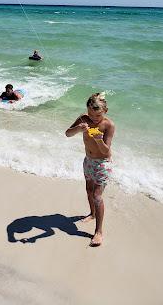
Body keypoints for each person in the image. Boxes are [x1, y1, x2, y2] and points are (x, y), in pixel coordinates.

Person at [65, 93, 115, 247]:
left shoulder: (108, 125)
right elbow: (68, 133)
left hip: (102, 164)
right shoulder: (83, 119)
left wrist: (99, 140)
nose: (94, 118)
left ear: (105, 111)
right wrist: (78, 129)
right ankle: (92, 214)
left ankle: (99, 232)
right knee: (88, 190)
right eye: (91, 114)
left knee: (97, 196)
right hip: (88, 161)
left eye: (98, 115)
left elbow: (106, 151)